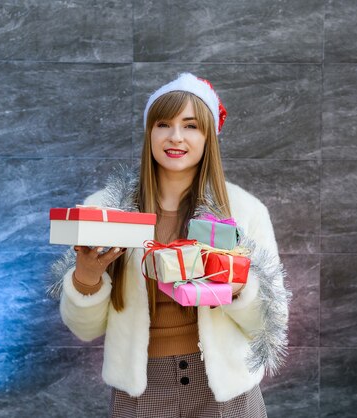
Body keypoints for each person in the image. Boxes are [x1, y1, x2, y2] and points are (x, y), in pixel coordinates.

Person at [51, 73, 290, 417]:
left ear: (209, 136)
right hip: (142, 392)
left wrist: (236, 285)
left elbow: (271, 323)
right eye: (163, 123)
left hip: (226, 393)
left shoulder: (244, 211)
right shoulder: (106, 211)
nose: (175, 136)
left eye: (191, 125)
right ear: (150, 132)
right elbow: (84, 329)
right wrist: (86, 279)